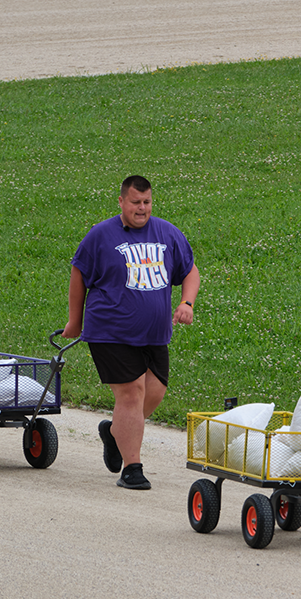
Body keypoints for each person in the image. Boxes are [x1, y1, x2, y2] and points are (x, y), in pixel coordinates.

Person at [63, 175, 200, 491]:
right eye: (136, 202)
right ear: (122, 202)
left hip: (155, 334)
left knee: (154, 394)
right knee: (131, 393)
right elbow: (79, 273)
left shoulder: (167, 233)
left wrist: (187, 303)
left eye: (147, 202)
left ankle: (115, 433)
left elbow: (189, 271)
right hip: (109, 330)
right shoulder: (101, 235)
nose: (142, 208)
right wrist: (75, 322)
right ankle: (132, 468)